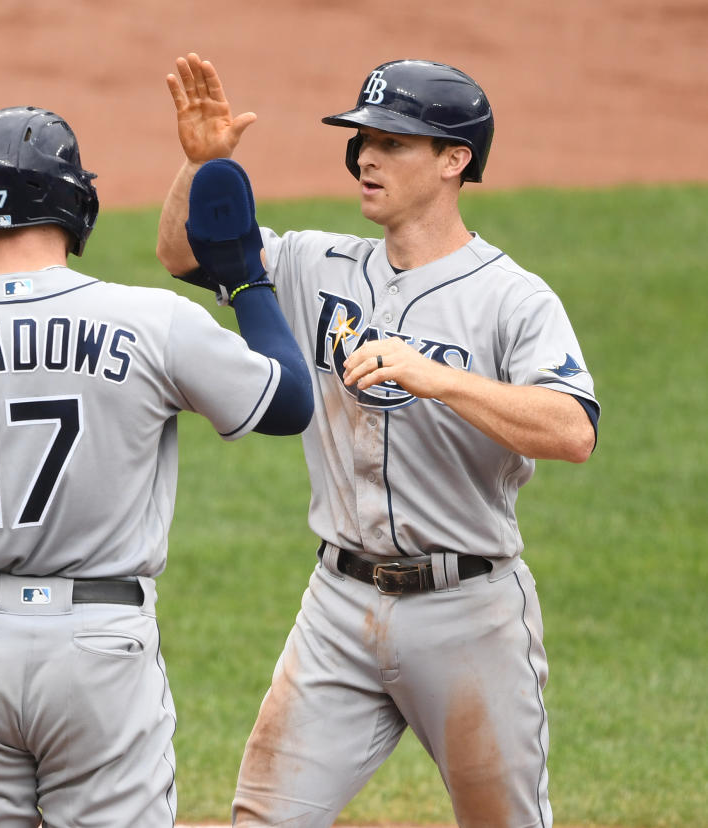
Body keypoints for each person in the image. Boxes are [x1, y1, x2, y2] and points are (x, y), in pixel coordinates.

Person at [156, 54, 600, 826]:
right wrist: (202, 167)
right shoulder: (312, 263)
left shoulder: (511, 297)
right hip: (338, 604)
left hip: (469, 612)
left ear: (454, 160)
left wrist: (439, 378)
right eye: (363, 138)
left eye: (394, 141)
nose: (366, 154)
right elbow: (184, 253)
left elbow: (572, 430)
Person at [0, 105, 315, 826]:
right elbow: (287, 403)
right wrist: (246, 280)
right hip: (99, 644)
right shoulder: (151, 322)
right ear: (75, 201)